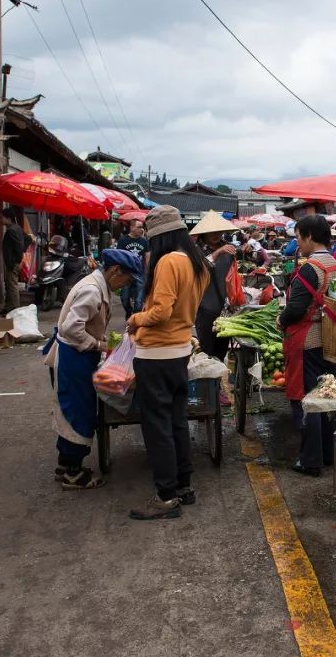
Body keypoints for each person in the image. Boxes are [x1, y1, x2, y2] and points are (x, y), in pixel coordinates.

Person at [128, 206, 211, 520]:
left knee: (157, 426)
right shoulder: (198, 262)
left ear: (158, 236)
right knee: (177, 420)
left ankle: (165, 496)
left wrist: (135, 320)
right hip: (180, 351)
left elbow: (160, 312)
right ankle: (183, 486)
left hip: (156, 355)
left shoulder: (167, 262)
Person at [43, 249, 140, 490]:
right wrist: (98, 345)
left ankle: (65, 464)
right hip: (73, 357)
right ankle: (73, 474)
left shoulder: (99, 286)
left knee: (72, 410)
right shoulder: (91, 289)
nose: (126, 284)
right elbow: (70, 329)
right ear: (115, 270)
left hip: (78, 355)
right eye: (127, 278)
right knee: (78, 412)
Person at [279, 215, 336, 477]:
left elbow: (295, 309)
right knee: (326, 398)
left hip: (307, 341)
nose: (297, 242)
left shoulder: (310, 268)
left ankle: (310, 460)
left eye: (298, 237)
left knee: (307, 400)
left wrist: (280, 319)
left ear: (309, 237)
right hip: (330, 338)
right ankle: (327, 453)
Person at [191, 211, 240, 361]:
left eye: (219, 231)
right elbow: (199, 269)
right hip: (205, 307)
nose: (216, 234)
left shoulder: (228, 248)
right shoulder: (196, 250)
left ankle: (217, 381)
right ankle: (207, 383)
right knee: (206, 349)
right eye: (212, 231)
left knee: (221, 349)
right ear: (204, 233)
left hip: (226, 308)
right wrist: (218, 253)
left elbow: (233, 276)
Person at [117, 219, 149, 319]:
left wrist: (147, 273)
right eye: (139, 227)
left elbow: (147, 258)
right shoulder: (123, 240)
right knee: (124, 298)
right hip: (126, 273)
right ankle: (128, 311)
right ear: (132, 228)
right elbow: (119, 256)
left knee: (139, 300)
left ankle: (134, 319)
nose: (142, 229)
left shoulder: (144, 241)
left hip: (139, 274)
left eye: (142, 227)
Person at [1, 207, 26, 314]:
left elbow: (19, 246)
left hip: (13, 262)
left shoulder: (12, 230)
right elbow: (28, 239)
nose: (1, 219)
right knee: (9, 284)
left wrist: (17, 259)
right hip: (12, 262)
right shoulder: (17, 228)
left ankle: (15, 309)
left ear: (8, 218)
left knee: (12, 285)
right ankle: (8, 307)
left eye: (2, 217)